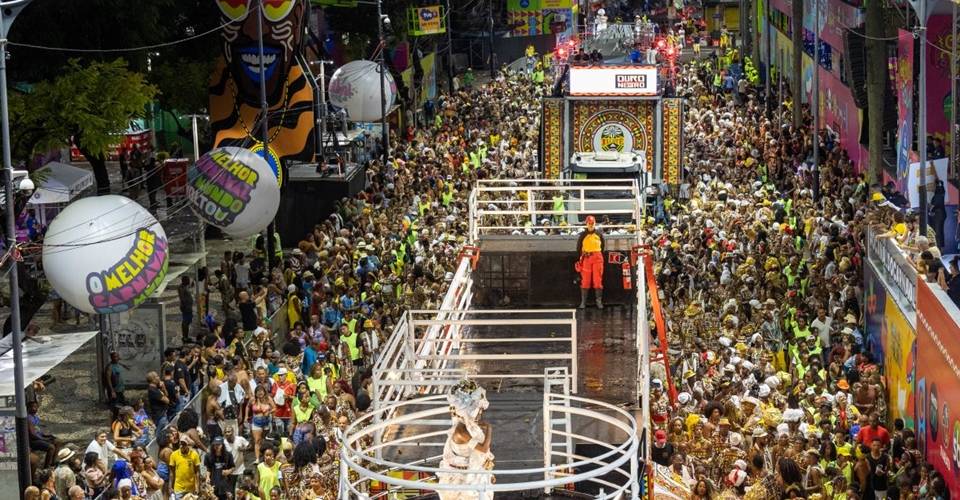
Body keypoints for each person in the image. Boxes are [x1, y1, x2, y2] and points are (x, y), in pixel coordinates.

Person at [576, 215, 605, 309]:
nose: (591, 225)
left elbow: (603, 246)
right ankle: (583, 302)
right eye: (589, 223)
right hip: (586, 258)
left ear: (595, 223)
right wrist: (581, 258)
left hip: (597, 258)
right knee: (585, 281)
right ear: (586, 224)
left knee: (598, 281)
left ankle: (599, 302)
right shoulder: (583, 235)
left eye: (592, 223)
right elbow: (579, 248)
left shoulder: (599, 233)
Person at [178, 276, 194, 343]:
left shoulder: (185, 286)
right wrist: (185, 305)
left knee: (187, 321)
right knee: (185, 322)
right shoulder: (181, 288)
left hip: (188, 307)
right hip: (186, 307)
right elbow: (182, 298)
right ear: (184, 281)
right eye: (188, 280)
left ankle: (186, 336)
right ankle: (185, 337)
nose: (189, 281)